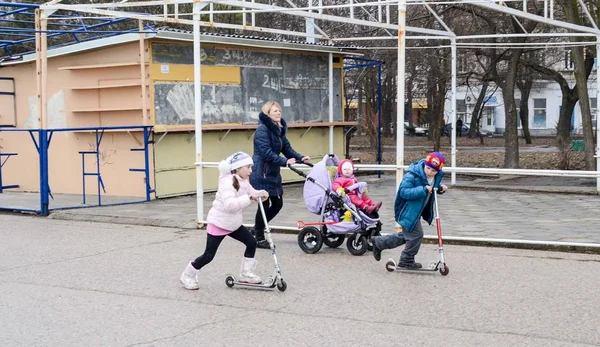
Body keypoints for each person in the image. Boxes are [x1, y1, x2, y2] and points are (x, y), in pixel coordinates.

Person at [180, 151, 268, 290]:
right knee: (209, 255)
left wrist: (260, 194)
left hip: (233, 223)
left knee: (251, 242)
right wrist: (250, 198)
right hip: (219, 223)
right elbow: (230, 205)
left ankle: (246, 274)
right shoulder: (227, 182)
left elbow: (251, 192)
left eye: (251, 167)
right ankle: (188, 275)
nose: (251, 171)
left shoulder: (244, 180)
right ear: (238, 168)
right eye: (248, 167)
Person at [371, 152, 448, 268]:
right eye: (428, 168)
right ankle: (406, 260)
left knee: (408, 235)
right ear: (425, 164)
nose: (430, 172)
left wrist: (440, 188)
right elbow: (404, 192)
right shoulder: (412, 175)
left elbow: (432, 186)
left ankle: (379, 243)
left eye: (433, 171)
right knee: (417, 235)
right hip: (406, 210)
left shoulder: (435, 177)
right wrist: (422, 190)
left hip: (417, 211)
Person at [250, 101, 310, 248]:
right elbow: (266, 152)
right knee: (263, 205)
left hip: (273, 172)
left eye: (279, 111)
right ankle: (258, 236)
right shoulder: (262, 130)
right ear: (267, 114)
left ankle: (257, 227)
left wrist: (300, 158)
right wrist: (285, 161)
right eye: (275, 111)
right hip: (261, 172)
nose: (278, 113)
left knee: (278, 203)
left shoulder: (278, 130)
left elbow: (287, 148)